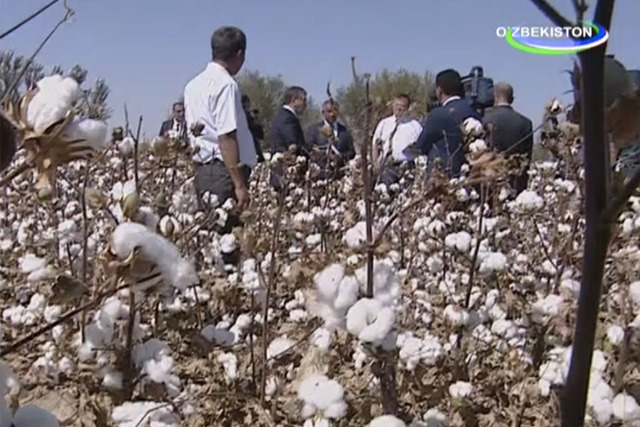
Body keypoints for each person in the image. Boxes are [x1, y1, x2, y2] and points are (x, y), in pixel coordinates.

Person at [183, 25, 256, 223]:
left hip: (204, 169)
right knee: (226, 240)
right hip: (224, 173)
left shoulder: (192, 85)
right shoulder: (226, 85)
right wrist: (239, 185)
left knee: (209, 237)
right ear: (239, 54)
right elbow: (226, 136)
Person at [415, 68, 481, 178]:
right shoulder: (473, 111)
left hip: (443, 178)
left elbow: (421, 146)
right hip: (470, 176)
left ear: (439, 91)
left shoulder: (438, 114)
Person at [483, 82, 534, 195]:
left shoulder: (485, 119)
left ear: (494, 96)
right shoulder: (526, 123)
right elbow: (527, 157)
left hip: (489, 184)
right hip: (516, 184)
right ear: (512, 99)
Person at [371, 93, 423, 187]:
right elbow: (375, 144)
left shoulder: (415, 126)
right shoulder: (384, 124)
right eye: (396, 105)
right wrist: (375, 164)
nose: (398, 109)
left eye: (402, 106)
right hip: (387, 166)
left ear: (407, 108)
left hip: (407, 166)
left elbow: (421, 147)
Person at [269, 86, 308, 191]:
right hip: (287, 174)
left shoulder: (282, 116)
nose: (306, 104)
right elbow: (292, 145)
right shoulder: (288, 118)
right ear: (294, 100)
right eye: (303, 100)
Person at [305, 99, 354, 179]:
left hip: (341, 176)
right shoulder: (314, 130)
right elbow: (309, 149)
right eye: (329, 111)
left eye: (335, 111)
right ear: (323, 112)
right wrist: (325, 155)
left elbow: (351, 152)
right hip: (320, 176)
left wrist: (340, 157)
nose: (332, 114)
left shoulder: (345, 131)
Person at [241, 94, 265, 163]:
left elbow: (260, 134)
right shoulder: (244, 117)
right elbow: (258, 131)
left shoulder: (245, 116)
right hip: (250, 147)